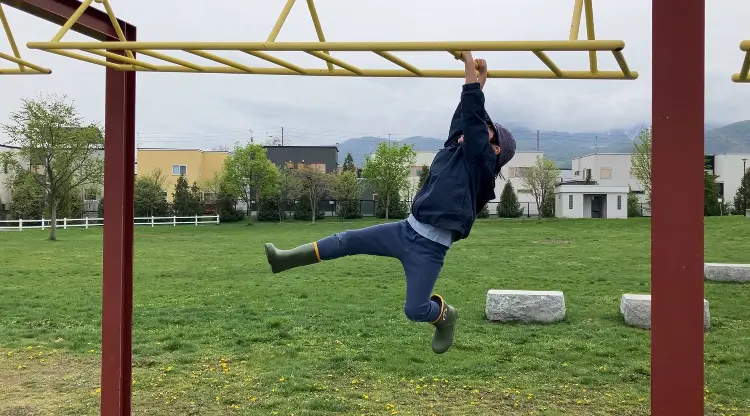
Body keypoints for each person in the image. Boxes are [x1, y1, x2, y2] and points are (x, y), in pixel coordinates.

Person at [263, 51, 516, 354]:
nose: (472, 130)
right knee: (347, 240)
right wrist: (480, 80)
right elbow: (466, 116)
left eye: (484, 130)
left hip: (428, 249)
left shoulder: (480, 164)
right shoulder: (455, 150)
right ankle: (285, 259)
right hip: (405, 230)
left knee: (415, 310)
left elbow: (473, 114)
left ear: (495, 148)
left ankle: (446, 316)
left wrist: (468, 66)